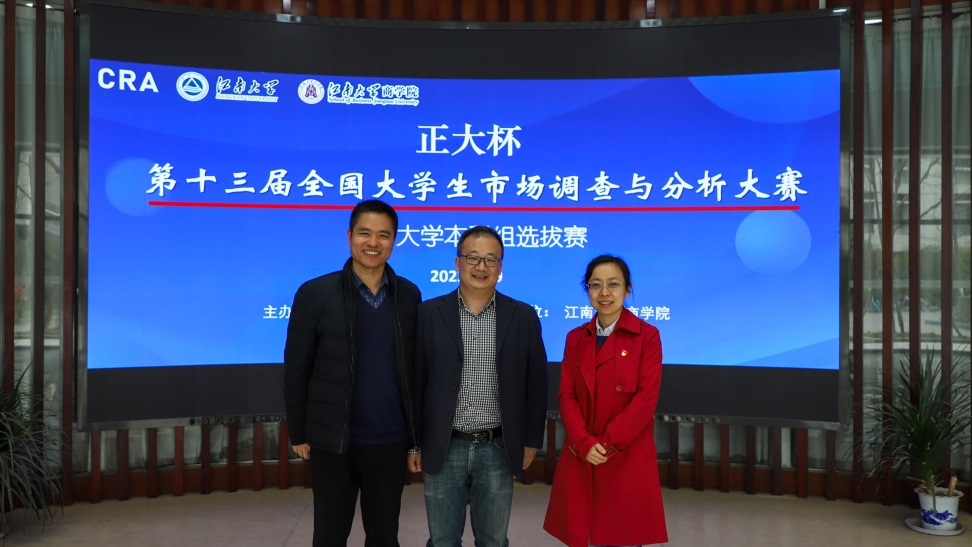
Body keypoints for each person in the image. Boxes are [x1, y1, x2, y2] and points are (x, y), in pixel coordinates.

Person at [283, 199, 422, 547]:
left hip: (390, 440)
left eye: (383, 235)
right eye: (364, 233)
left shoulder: (409, 295)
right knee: (330, 535)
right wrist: (298, 431)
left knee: (384, 536)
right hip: (334, 440)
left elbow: (414, 372)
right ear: (349, 237)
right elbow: (297, 367)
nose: (373, 243)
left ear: (394, 240)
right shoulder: (315, 293)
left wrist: (415, 439)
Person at [412, 225, 548, 547]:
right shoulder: (428, 314)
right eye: (473, 258)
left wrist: (531, 440)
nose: (481, 267)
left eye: (491, 259)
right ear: (457, 263)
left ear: (500, 267)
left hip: (497, 448)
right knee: (442, 541)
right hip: (444, 446)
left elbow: (537, 384)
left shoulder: (523, 316)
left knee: (494, 541)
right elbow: (416, 382)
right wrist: (414, 444)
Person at [543, 255, 668, 547]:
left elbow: (645, 400)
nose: (604, 293)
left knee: (622, 535)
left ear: (627, 289)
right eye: (595, 285)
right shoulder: (576, 338)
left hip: (625, 455)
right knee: (583, 534)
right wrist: (584, 442)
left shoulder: (647, 336)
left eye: (613, 284)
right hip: (582, 452)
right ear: (587, 289)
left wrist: (607, 443)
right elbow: (567, 395)